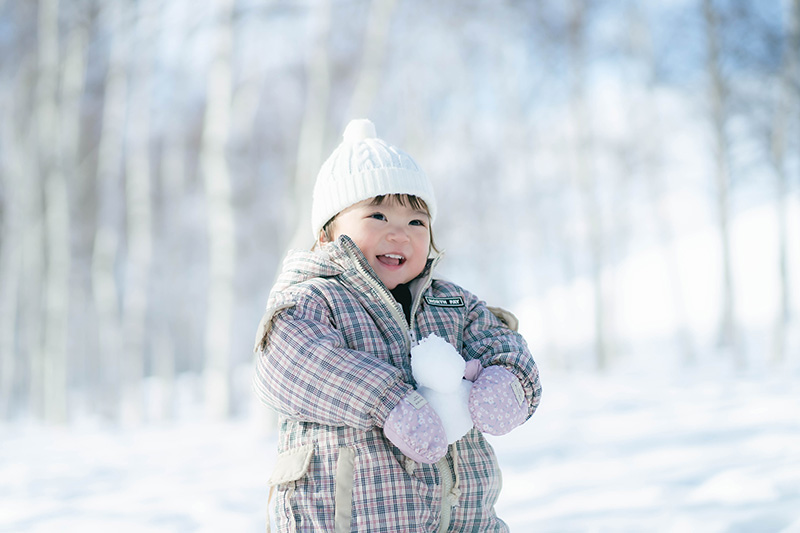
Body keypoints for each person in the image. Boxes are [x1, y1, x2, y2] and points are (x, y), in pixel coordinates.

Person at [253, 119, 541, 532]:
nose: (400, 234)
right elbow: (291, 364)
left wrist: (509, 382)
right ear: (327, 234)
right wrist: (388, 402)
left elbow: (501, 341)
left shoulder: (452, 303)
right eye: (378, 215)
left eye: (416, 222)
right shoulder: (313, 300)